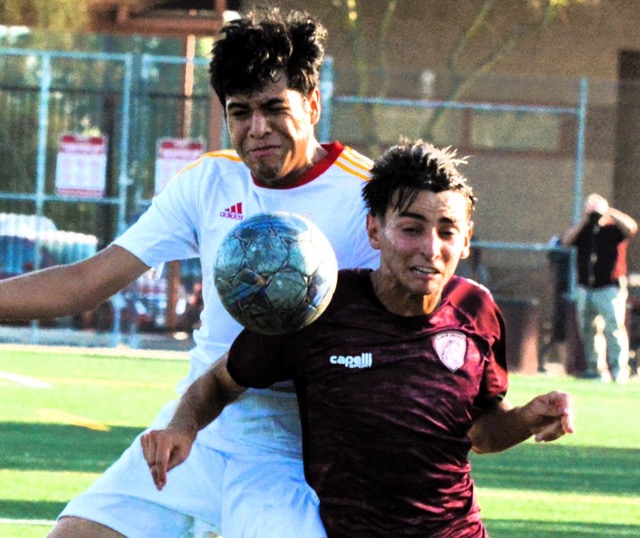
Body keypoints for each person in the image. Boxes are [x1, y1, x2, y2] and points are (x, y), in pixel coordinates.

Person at [0, 8, 379, 538]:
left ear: (312, 104)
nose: (257, 129)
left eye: (274, 108)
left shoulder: (368, 196)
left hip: (292, 453)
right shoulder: (209, 181)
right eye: (240, 112)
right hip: (194, 431)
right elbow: (87, 281)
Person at [141, 139, 574, 537]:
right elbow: (220, 381)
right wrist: (181, 425)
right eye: (411, 228)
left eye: (447, 231)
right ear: (374, 231)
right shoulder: (319, 307)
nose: (430, 247)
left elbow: (479, 432)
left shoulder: (476, 310)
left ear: (466, 241)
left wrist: (526, 419)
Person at [562, 193, 638, 383]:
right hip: (585, 288)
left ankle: (619, 370)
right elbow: (566, 241)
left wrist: (608, 211)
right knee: (588, 329)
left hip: (609, 288)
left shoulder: (614, 230)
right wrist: (585, 220)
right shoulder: (584, 230)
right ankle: (596, 369)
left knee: (614, 328)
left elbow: (631, 228)